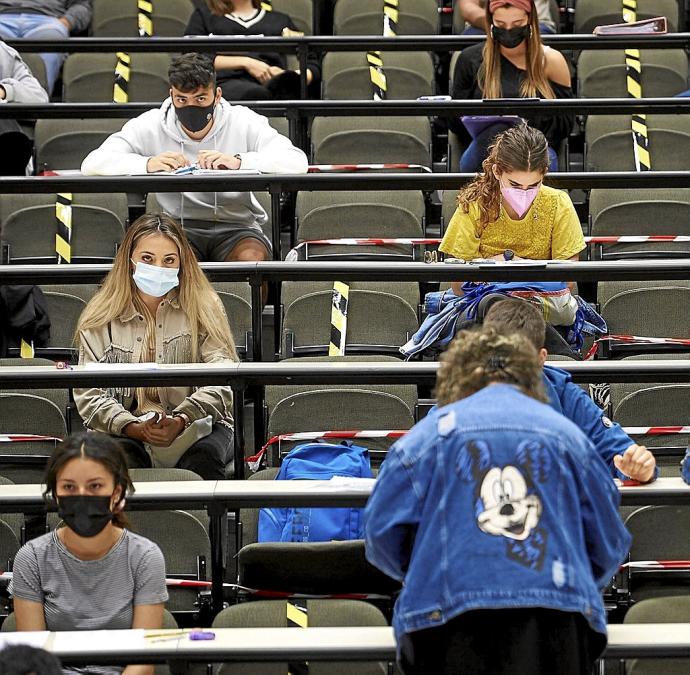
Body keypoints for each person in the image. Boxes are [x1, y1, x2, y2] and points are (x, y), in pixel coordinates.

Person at [365, 327, 632, 675]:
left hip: (448, 618)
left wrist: (425, 568)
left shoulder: (426, 438)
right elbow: (608, 541)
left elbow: (381, 533)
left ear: (456, 379)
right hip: (557, 620)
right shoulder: (569, 437)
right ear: (531, 377)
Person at [81, 52, 308, 263]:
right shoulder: (149, 123)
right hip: (175, 227)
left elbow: (296, 161)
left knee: (251, 260)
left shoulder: (244, 120)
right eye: (182, 100)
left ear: (217, 95)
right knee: (167, 261)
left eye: (200, 99)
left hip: (238, 226)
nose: (191, 106)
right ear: (171, 95)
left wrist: (240, 162)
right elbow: (92, 164)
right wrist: (146, 164)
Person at [73, 213, 238, 480]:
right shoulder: (100, 313)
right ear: (130, 261)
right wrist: (130, 427)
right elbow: (89, 393)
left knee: (203, 464)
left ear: (181, 264)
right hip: (124, 427)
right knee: (118, 468)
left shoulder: (204, 305)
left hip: (197, 425)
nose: (158, 268)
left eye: (169, 260)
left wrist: (183, 418)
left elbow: (223, 377)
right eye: (148, 259)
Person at [10, 432, 167, 675]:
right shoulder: (31, 558)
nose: (81, 496)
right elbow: (35, 661)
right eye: (69, 487)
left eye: (95, 486)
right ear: (55, 494)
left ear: (117, 493)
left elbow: (142, 663)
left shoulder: (145, 557)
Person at [484, 298, 658, 483]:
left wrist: (638, 468)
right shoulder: (461, 391)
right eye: (500, 359)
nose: (508, 371)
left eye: (520, 361)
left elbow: (616, 450)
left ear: (541, 358)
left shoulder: (562, 392)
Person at [441, 123, 585, 298]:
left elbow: (568, 280)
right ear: (496, 171)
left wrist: (509, 267)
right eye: (514, 185)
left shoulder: (559, 203)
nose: (524, 193)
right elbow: (459, 284)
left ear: (544, 174)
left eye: (533, 185)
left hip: (543, 307)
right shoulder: (474, 204)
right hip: (481, 306)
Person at [450, 0, 573, 172]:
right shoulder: (469, 59)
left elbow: (565, 124)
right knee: (496, 132)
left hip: (533, 149)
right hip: (485, 148)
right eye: (500, 24)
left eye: (517, 24)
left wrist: (522, 121)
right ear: (491, 23)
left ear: (530, 21)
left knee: (535, 153)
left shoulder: (551, 60)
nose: (508, 30)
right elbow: (455, 122)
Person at [185, 0, 320, 101]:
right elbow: (189, 59)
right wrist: (246, 63)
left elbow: (312, 63)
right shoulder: (204, 16)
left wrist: (288, 76)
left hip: (273, 87)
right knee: (255, 95)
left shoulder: (280, 20)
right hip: (222, 85)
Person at [0, 0, 92, 94]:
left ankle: (37, 100)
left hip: (47, 20)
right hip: (2, 17)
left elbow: (81, 6)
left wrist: (66, 22)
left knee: (52, 42)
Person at [0, 39, 48, 175]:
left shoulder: (3, 53)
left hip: (5, 151)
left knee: (15, 144)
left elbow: (40, 99)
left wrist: (5, 91)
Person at [459, 0, 557, 35]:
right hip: (484, 26)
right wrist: (498, 23)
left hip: (535, 24)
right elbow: (468, 7)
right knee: (465, 52)